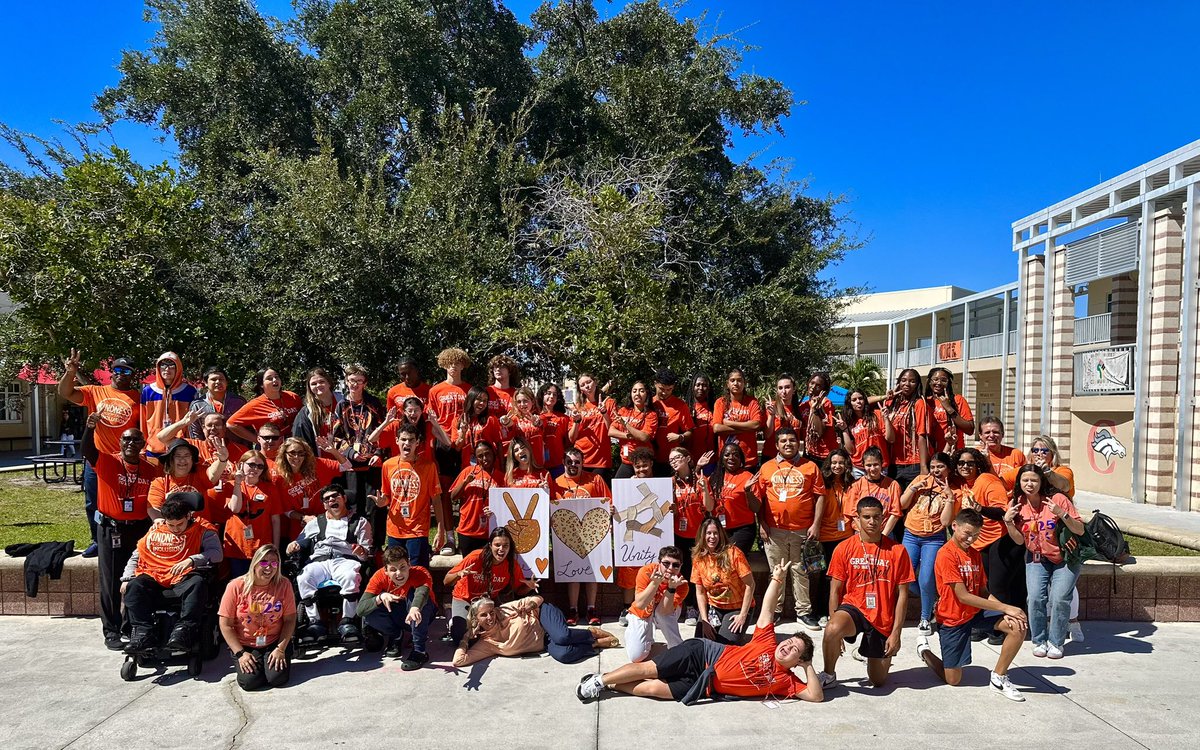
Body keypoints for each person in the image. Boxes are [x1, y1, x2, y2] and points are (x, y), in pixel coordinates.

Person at [576, 560, 823, 705]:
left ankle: (611, 682)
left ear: (798, 661)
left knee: (653, 690)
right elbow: (767, 610)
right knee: (650, 670)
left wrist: (808, 666)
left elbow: (815, 696)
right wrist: (777, 580)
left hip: (705, 685)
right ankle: (599, 681)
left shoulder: (786, 682)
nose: (787, 646)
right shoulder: (767, 643)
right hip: (702, 654)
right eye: (789, 641)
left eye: (795, 649)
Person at [916, 508, 1028, 702]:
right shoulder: (946, 554)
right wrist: (1006, 607)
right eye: (967, 533)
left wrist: (1007, 612)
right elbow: (963, 596)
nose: (971, 539)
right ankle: (924, 651)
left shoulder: (975, 554)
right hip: (953, 618)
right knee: (953, 679)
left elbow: (983, 592)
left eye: (976, 535)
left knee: (1017, 625)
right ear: (954, 526)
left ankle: (999, 677)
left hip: (975, 613)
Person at [818, 496, 915, 689]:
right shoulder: (844, 548)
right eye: (867, 517)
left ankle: (868, 653)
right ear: (857, 519)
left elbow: (903, 595)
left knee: (878, 681)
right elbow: (835, 590)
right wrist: (834, 630)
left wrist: (896, 633)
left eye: (877, 517)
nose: (872, 522)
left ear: (883, 518)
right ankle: (829, 675)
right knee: (832, 629)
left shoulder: (898, 551)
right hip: (855, 607)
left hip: (882, 616)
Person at [81, 411, 154, 650]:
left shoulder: (150, 469)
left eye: (136, 440)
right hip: (111, 529)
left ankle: (130, 625)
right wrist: (90, 428)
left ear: (143, 444)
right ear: (120, 442)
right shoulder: (107, 461)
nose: (131, 443)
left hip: (140, 528)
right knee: (111, 581)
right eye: (126, 439)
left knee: (136, 578)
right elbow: (87, 450)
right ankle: (111, 630)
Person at [58, 348, 141, 558]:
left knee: (125, 502)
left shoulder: (138, 398)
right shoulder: (95, 392)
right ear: (112, 372)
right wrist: (70, 372)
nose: (122, 374)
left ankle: (127, 539)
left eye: (127, 371)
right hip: (97, 459)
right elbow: (66, 393)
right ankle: (97, 539)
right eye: (118, 370)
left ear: (132, 375)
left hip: (124, 462)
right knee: (92, 502)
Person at [121, 494, 223, 652]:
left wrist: (192, 560)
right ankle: (143, 633)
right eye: (171, 525)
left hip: (184, 575)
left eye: (180, 524)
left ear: (188, 516)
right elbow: (137, 555)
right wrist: (127, 578)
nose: (176, 529)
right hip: (154, 574)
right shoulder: (156, 529)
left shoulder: (203, 530)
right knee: (134, 586)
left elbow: (217, 554)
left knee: (197, 583)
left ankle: (184, 631)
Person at [1005, 464, 1085, 659]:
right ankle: (1039, 641)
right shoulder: (1017, 503)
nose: (1029, 484)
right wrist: (1008, 522)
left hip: (1065, 557)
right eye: (1025, 480)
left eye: (1034, 480)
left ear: (1042, 482)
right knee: (1034, 598)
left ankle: (1056, 642)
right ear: (1019, 482)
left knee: (1059, 598)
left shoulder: (1057, 499)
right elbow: (1019, 541)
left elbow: (1080, 529)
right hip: (1036, 558)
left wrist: (1061, 513)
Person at [754, 426, 826, 630]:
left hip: (803, 529)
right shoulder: (766, 467)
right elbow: (759, 499)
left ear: (798, 443)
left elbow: (820, 496)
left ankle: (803, 612)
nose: (788, 444)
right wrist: (762, 524)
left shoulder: (810, 466)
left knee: (800, 570)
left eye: (792, 440)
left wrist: (816, 524)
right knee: (776, 572)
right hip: (774, 530)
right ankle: (774, 611)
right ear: (777, 445)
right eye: (783, 441)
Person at [286, 485, 372, 644]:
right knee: (304, 577)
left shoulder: (360, 522)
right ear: (324, 505)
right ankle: (315, 622)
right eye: (327, 499)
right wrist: (292, 546)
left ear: (344, 498)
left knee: (350, 576)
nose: (332, 500)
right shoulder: (316, 522)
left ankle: (347, 621)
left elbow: (366, 554)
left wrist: (361, 551)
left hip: (345, 560)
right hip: (320, 561)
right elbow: (298, 542)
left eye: (335, 496)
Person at [952, 446, 1018, 644]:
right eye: (961, 463)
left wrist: (980, 509)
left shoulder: (987, 480)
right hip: (976, 542)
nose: (965, 466)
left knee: (997, 587)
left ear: (978, 465)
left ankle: (1001, 628)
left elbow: (1002, 512)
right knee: (980, 586)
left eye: (970, 463)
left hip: (997, 539)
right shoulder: (963, 484)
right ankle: (984, 626)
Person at [453, 595, 619, 667]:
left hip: (542, 616)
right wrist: (466, 638)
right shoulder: (487, 644)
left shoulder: (504, 610)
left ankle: (591, 633)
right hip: (544, 641)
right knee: (564, 655)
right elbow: (458, 661)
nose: (490, 617)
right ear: (476, 619)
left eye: (491, 612)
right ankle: (595, 644)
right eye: (484, 615)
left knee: (562, 637)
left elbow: (538, 599)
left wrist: (530, 606)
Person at [218, 544, 297, 691]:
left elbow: (290, 619)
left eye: (274, 563)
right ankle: (259, 667)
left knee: (277, 679)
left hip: (274, 641)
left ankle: (269, 665)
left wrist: (280, 649)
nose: (269, 568)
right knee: (249, 683)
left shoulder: (284, 584)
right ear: (255, 563)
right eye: (264, 562)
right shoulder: (236, 586)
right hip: (246, 644)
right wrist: (241, 654)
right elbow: (225, 624)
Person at [898, 452, 958, 635]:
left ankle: (925, 617)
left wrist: (950, 497)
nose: (936, 470)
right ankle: (931, 600)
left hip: (933, 538)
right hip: (911, 534)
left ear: (948, 469)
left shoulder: (954, 489)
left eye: (940, 467)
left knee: (926, 578)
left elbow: (946, 522)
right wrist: (913, 488)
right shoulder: (921, 479)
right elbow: (902, 504)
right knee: (905, 576)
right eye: (933, 467)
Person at [552, 446, 612, 626]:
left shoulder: (595, 479)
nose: (573, 465)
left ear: (583, 463)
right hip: (567, 535)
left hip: (592, 533)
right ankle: (573, 609)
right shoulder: (556, 483)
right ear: (563, 462)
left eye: (577, 462)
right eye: (569, 461)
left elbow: (608, 502)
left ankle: (591, 609)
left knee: (592, 572)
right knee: (573, 571)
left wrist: (610, 510)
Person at [444, 527, 536, 643]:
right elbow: (446, 581)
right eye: (497, 545)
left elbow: (518, 590)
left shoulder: (512, 564)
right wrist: (459, 574)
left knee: (500, 632)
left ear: (510, 547)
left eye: (505, 546)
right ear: (490, 545)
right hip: (464, 599)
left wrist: (529, 586)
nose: (501, 549)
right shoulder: (475, 557)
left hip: (487, 602)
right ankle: (451, 616)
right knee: (460, 637)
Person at [374, 423, 446, 567]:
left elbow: (436, 499)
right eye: (403, 439)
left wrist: (441, 529)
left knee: (418, 570)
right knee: (396, 570)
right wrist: (383, 501)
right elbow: (387, 496)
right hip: (395, 528)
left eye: (411, 440)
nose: (407, 443)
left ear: (417, 442)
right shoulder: (388, 465)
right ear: (397, 441)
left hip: (418, 529)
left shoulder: (428, 466)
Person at [358, 546, 439, 669]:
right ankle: (396, 635)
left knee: (416, 597)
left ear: (409, 564)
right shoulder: (379, 576)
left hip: (421, 613)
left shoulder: (420, 572)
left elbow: (422, 592)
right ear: (385, 570)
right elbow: (360, 609)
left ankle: (419, 651)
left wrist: (415, 607)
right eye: (393, 569)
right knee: (370, 610)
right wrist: (380, 597)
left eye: (402, 567)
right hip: (398, 613)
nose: (399, 573)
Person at [429, 350, 473, 551]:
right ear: (444, 365)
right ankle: (449, 537)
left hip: (464, 444)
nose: (453, 366)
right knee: (445, 493)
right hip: (444, 445)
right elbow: (432, 422)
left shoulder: (469, 389)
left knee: (466, 490)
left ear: (463, 365)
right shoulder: (435, 390)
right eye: (449, 363)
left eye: (457, 363)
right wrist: (443, 441)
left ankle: (465, 534)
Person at [331, 364, 388, 521]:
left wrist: (378, 453)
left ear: (365, 383)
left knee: (374, 506)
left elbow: (384, 431)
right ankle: (356, 536)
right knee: (355, 507)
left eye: (359, 381)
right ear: (346, 381)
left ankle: (376, 537)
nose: (355, 384)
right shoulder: (341, 406)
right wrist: (351, 453)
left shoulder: (374, 404)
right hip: (352, 465)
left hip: (373, 464)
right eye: (352, 380)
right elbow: (336, 437)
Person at [215, 450, 282, 577]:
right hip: (237, 545)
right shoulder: (230, 486)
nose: (255, 469)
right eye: (251, 464)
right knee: (239, 582)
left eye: (260, 466)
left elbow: (275, 520)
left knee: (261, 581)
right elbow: (235, 508)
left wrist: (276, 548)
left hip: (262, 547)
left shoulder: (270, 489)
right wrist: (237, 483)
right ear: (241, 464)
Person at [690, 518, 755, 645]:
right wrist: (704, 620)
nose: (712, 537)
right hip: (713, 607)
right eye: (708, 533)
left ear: (721, 534)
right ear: (702, 535)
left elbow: (750, 584)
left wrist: (743, 615)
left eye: (715, 533)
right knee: (700, 644)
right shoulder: (699, 558)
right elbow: (700, 592)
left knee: (724, 645)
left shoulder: (734, 553)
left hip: (737, 607)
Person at [273, 437, 351, 541]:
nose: (296, 457)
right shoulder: (279, 479)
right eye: (292, 453)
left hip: (326, 522)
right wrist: (303, 518)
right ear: (284, 454)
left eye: (301, 453)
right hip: (301, 529)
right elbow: (286, 510)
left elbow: (347, 466)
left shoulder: (317, 464)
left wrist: (333, 451)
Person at [669, 446, 714, 625]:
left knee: (701, 572)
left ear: (688, 458)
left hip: (698, 534)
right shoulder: (671, 482)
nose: (673, 461)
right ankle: (689, 607)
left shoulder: (701, 480)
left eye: (677, 457)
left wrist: (704, 490)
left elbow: (709, 507)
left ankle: (701, 606)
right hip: (678, 533)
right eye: (671, 460)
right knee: (684, 571)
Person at [624, 546, 689, 663]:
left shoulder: (682, 584)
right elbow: (640, 605)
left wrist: (671, 588)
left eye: (675, 565)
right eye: (666, 563)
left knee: (662, 615)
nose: (670, 568)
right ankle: (645, 642)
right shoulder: (646, 571)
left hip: (664, 611)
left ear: (681, 566)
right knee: (636, 656)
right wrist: (655, 583)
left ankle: (678, 649)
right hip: (643, 611)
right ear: (659, 562)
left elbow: (665, 611)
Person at [617, 448, 658, 623]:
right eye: (638, 466)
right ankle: (627, 608)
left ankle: (652, 608)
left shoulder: (661, 484)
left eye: (645, 465)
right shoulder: (626, 486)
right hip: (632, 537)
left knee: (654, 573)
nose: (641, 469)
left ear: (652, 464)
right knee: (629, 573)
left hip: (654, 537)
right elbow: (619, 510)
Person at [813, 449, 854, 624]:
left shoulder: (852, 484)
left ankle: (843, 609)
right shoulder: (822, 483)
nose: (837, 466)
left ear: (847, 465)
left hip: (846, 535)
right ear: (829, 464)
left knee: (845, 576)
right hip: (826, 536)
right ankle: (822, 611)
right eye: (834, 462)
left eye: (841, 463)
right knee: (825, 577)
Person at [448, 440, 503, 556]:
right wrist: (465, 482)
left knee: (487, 564)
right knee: (469, 565)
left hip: (489, 532)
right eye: (480, 456)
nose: (485, 458)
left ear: (493, 454)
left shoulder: (501, 477)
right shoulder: (468, 471)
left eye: (487, 454)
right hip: (467, 530)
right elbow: (453, 496)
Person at [140, 352, 198, 456]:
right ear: (158, 368)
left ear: (178, 368)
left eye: (172, 366)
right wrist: (142, 447)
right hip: (154, 448)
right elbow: (143, 421)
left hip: (180, 447)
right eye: (163, 365)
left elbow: (193, 423)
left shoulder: (189, 391)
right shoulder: (148, 391)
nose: (167, 369)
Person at [879, 368, 929, 490]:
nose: (907, 384)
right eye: (903, 380)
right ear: (898, 383)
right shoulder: (891, 403)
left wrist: (923, 467)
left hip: (913, 463)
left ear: (917, 384)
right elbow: (866, 402)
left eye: (912, 381)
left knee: (912, 499)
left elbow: (922, 435)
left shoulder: (919, 403)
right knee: (895, 498)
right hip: (893, 464)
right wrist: (886, 396)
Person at [146, 438, 216, 522]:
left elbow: (213, 475)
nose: (182, 460)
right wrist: (159, 521)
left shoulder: (199, 474)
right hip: (172, 528)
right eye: (178, 456)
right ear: (170, 460)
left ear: (192, 460)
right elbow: (154, 509)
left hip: (200, 527)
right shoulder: (159, 483)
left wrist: (222, 460)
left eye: (187, 456)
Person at [227, 369, 303, 443]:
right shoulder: (255, 405)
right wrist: (258, 440)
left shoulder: (293, 397)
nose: (275, 380)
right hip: (272, 448)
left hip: (294, 446)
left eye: (276, 377)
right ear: (261, 385)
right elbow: (231, 424)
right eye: (269, 378)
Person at [709, 443, 758, 555]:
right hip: (720, 528)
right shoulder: (715, 476)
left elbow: (756, 508)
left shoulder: (748, 477)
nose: (731, 457)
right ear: (721, 459)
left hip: (742, 528)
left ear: (741, 459)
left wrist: (748, 491)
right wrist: (698, 467)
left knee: (731, 557)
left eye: (736, 455)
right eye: (727, 455)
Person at [844, 447, 903, 538]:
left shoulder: (893, 485)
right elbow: (853, 514)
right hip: (861, 532)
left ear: (882, 463)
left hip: (884, 532)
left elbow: (895, 513)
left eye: (876, 464)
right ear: (863, 465)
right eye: (868, 465)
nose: (872, 468)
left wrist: (883, 536)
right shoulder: (856, 485)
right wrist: (865, 534)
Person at [712, 368, 762, 468]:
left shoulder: (752, 402)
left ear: (744, 383)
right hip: (726, 460)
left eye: (739, 380)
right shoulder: (720, 402)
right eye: (732, 380)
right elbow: (717, 428)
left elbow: (756, 425)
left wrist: (729, 423)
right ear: (728, 384)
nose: (736, 383)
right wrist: (747, 427)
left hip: (748, 460)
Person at [569, 372, 614, 482]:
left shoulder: (608, 403)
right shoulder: (578, 407)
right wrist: (576, 421)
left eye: (589, 382)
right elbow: (572, 438)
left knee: (600, 491)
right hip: (581, 458)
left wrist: (604, 413)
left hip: (601, 459)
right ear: (580, 390)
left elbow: (611, 430)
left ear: (595, 382)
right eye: (583, 385)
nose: (587, 386)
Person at [610, 381, 659, 479]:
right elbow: (611, 431)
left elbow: (644, 437)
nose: (637, 394)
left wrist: (625, 424)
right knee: (618, 487)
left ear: (647, 394)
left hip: (643, 463)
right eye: (634, 391)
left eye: (641, 391)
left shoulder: (651, 414)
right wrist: (629, 436)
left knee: (645, 488)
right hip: (626, 461)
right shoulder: (623, 411)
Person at [651, 368, 694, 476]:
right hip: (650, 459)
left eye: (669, 389)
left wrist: (680, 437)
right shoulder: (648, 403)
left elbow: (689, 432)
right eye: (661, 389)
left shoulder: (680, 405)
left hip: (671, 460)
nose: (664, 392)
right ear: (655, 384)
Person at [842, 388, 893, 478]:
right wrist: (844, 429)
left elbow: (891, 439)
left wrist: (886, 418)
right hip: (859, 467)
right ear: (849, 403)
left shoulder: (877, 414)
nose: (858, 401)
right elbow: (850, 451)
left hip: (879, 465)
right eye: (854, 400)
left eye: (860, 398)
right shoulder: (848, 422)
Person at [797, 372, 847, 462]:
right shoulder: (803, 405)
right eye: (812, 383)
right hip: (809, 451)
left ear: (823, 390)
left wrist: (815, 409)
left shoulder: (826, 404)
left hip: (825, 454)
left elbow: (819, 432)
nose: (813, 387)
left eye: (818, 385)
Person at [291, 367, 342, 453]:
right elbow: (302, 442)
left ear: (329, 383)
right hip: (322, 458)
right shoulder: (306, 412)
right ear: (309, 388)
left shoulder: (344, 402)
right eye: (314, 384)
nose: (318, 385)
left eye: (322, 382)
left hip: (347, 457)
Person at [188, 367, 247, 440]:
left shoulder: (238, 402)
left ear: (226, 382)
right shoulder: (198, 405)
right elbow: (195, 433)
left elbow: (247, 427)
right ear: (205, 383)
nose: (218, 382)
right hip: (208, 446)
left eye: (221, 379)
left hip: (235, 445)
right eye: (213, 379)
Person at [925, 367, 974, 454]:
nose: (939, 383)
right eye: (935, 379)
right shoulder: (924, 402)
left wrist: (949, 408)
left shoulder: (958, 400)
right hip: (931, 454)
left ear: (949, 383)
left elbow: (969, 429)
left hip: (953, 453)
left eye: (943, 380)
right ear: (929, 381)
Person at [454, 386, 504, 467]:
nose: (482, 403)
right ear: (471, 399)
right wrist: (463, 433)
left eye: (485, 401)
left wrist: (502, 467)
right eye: (479, 399)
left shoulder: (490, 419)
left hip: (489, 466)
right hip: (468, 466)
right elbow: (457, 448)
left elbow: (499, 444)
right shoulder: (458, 420)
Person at [499, 387, 546, 468]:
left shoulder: (540, 417)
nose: (522, 404)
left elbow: (540, 422)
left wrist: (536, 422)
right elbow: (509, 423)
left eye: (525, 401)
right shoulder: (515, 418)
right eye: (519, 402)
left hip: (538, 463)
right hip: (521, 465)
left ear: (532, 401)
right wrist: (505, 421)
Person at [978, 417, 1026, 491]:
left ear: (1002, 434)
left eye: (995, 432)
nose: (992, 435)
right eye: (987, 432)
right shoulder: (975, 455)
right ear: (980, 435)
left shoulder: (1016, 454)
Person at [763, 373, 800, 462]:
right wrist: (771, 415)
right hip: (771, 456)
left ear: (794, 389)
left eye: (787, 387)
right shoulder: (772, 406)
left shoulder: (799, 409)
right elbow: (767, 435)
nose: (783, 391)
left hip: (793, 457)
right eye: (780, 388)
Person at [538, 382, 571, 477]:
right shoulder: (534, 416)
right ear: (542, 396)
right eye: (548, 393)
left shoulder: (563, 418)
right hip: (538, 464)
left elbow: (568, 442)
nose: (552, 396)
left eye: (555, 394)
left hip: (558, 464)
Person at [686, 373, 716, 468]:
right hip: (690, 461)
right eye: (698, 385)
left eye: (704, 385)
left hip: (711, 460)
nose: (701, 388)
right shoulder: (685, 408)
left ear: (709, 388)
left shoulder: (715, 407)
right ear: (692, 387)